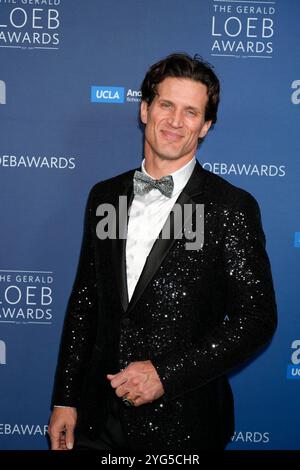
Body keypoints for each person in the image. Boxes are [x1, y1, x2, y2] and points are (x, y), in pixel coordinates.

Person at [48, 53, 277, 452]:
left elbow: (257, 319)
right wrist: (65, 398)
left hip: (184, 424)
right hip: (97, 420)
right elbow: (86, 301)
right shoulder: (106, 197)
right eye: (166, 105)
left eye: (191, 112)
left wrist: (166, 375)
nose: (174, 121)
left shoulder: (229, 207)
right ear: (144, 109)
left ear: (205, 126)